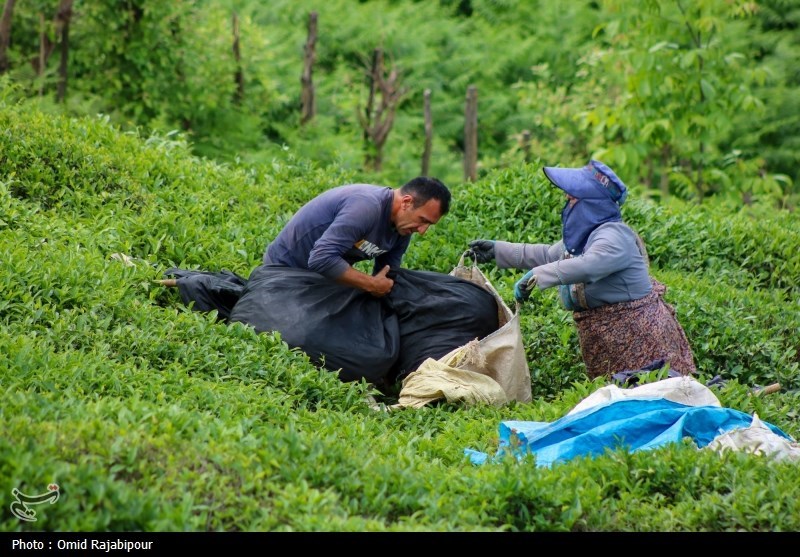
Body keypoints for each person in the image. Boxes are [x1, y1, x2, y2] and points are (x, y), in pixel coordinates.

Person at [467, 160, 696, 380]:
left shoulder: (614, 235)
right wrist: (498, 251)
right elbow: (548, 254)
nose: (567, 200)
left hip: (640, 336)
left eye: (573, 197)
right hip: (607, 337)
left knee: (648, 398)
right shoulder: (587, 236)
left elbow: (590, 265)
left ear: (592, 203)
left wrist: (539, 275)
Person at [263, 177, 451, 297]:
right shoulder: (366, 207)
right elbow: (321, 258)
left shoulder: (403, 228)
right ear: (406, 203)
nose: (422, 230)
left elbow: (387, 274)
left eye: (429, 225)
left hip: (323, 282)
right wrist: (371, 284)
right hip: (284, 274)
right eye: (422, 220)